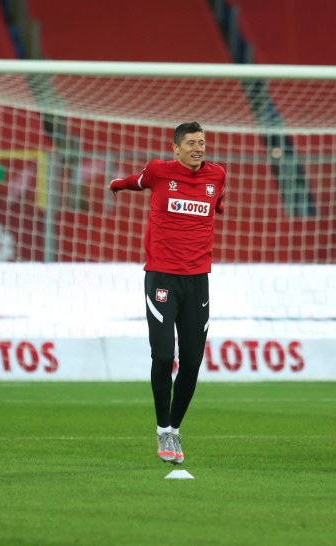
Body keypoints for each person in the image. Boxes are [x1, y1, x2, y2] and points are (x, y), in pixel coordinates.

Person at [109, 121, 225, 465]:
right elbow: (136, 182)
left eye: (201, 142)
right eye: (191, 143)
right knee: (163, 356)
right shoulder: (159, 172)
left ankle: (175, 428)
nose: (198, 148)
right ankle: (162, 429)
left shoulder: (216, 176)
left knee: (192, 361)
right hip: (161, 277)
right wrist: (117, 185)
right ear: (176, 148)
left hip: (198, 280)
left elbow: (217, 203)